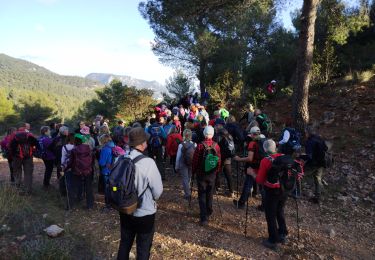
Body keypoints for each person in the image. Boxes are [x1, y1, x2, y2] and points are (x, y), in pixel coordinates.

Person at [117, 127, 163, 260]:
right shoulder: (148, 163)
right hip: (144, 212)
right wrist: (153, 199)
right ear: (142, 143)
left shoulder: (120, 158)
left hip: (125, 209)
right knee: (143, 247)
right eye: (145, 141)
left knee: (124, 243)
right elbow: (158, 190)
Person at [254, 139, 288, 250]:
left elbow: (259, 180)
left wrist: (251, 173)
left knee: (270, 215)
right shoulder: (284, 157)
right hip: (284, 190)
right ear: (275, 147)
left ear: (265, 149)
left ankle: (273, 240)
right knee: (280, 211)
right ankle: (282, 234)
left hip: (272, 191)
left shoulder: (265, 161)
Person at [192, 126, 221, 226]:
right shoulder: (216, 146)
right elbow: (219, 160)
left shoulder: (200, 145)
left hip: (201, 173)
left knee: (202, 194)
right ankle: (209, 211)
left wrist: (193, 171)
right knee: (209, 193)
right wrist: (216, 172)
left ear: (204, 134)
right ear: (212, 134)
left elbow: (195, 160)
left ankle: (203, 218)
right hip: (212, 174)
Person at [233, 126, 262, 209]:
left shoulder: (252, 143)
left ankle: (241, 203)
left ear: (252, 134)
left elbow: (250, 158)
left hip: (253, 166)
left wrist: (239, 159)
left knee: (248, 184)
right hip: (262, 164)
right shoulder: (263, 140)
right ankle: (264, 205)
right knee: (262, 185)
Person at [67, 134, 94, 209]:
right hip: (88, 170)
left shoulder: (74, 150)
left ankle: (70, 205)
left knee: (73, 188)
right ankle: (90, 205)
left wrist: (66, 168)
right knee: (88, 188)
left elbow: (71, 162)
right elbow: (92, 159)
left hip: (77, 171)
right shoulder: (88, 148)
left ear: (75, 141)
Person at [9, 127, 38, 194]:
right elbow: (36, 144)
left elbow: (11, 147)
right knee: (28, 173)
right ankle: (28, 190)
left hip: (17, 157)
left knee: (17, 172)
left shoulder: (14, 136)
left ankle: (18, 188)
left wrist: (13, 156)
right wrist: (33, 152)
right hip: (28, 157)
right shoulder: (30, 136)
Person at [304, 124, 328, 204]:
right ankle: (318, 197)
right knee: (317, 178)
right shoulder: (319, 138)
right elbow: (326, 148)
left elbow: (309, 156)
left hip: (313, 163)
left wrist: (301, 157)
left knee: (299, 174)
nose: (305, 134)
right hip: (321, 162)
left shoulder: (309, 141)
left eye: (305, 132)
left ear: (307, 132)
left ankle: (294, 192)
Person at [175, 129, 196, 200]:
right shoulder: (194, 144)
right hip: (192, 163)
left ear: (183, 135)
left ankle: (187, 194)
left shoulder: (181, 145)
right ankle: (188, 190)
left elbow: (178, 157)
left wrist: (176, 166)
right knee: (189, 177)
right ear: (191, 135)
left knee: (184, 178)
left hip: (183, 163)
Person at [99, 134, 115, 211]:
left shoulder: (105, 149)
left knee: (107, 188)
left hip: (106, 171)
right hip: (114, 170)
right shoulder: (114, 146)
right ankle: (115, 202)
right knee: (114, 187)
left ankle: (108, 205)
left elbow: (102, 163)